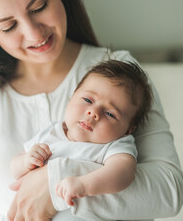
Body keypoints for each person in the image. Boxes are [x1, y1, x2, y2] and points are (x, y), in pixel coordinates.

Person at [0, 0, 183, 221]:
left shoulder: (121, 79)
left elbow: (169, 190)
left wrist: (57, 187)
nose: (34, 33)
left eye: (39, 7)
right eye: (8, 26)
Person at [10, 60, 153, 209]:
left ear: (128, 130)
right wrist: (27, 160)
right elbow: (14, 168)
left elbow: (123, 173)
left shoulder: (113, 146)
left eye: (110, 114)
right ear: (71, 97)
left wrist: (85, 185)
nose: (94, 112)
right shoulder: (52, 132)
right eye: (87, 100)